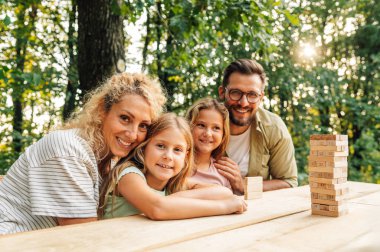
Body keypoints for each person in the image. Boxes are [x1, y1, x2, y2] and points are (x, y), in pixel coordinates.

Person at [0, 73, 167, 234]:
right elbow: (83, 236)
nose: (132, 134)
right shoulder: (68, 149)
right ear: (103, 110)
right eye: (125, 118)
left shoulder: (110, 163)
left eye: (143, 126)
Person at [98, 113, 246, 219]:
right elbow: (158, 208)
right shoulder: (129, 175)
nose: (168, 156)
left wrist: (176, 198)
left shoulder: (172, 184)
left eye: (177, 150)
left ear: (186, 156)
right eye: (161, 146)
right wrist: (225, 207)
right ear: (144, 147)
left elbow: (224, 193)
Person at [215, 59, 298, 194]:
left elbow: (288, 182)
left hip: (255, 211)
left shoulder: (274, 128)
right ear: (222, 92)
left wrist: (243, 185)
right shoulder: (200, 124)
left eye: (252, 95)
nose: (243, 103)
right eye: (235, 92)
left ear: (261, 97)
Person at [185, 98, 232, 190]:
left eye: (216, 128)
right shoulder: (176, 163)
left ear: (223, 134)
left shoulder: (223, 173)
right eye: (201, 125)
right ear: (189, 127)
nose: (208, 133)